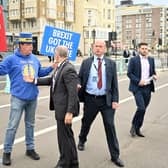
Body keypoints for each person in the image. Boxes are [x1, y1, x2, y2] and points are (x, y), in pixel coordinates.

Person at [0, 32, 54, 166]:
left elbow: (39, 73)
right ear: (21, 45)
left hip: (32, 98)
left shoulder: (35, 59)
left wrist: (51, 68)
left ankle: (30, 149)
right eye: (28, 44)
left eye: (31, 44)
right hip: (18, 98)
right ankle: (7, 152)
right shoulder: (11, 59)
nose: (31, 47)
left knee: (30, 125)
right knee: (12, 126)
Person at [25, 46, 79, 168]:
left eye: (55, 53)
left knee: (64, 138)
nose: (54, 55)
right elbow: (52, 80)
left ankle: (64, 162)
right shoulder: (61, 66)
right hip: (61, 108)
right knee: (67, 136)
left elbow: (72, 92)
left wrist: (69, 112)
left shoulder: (68, 69)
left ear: (58, 55)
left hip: (64, 109)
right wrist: (34, 80)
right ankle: (73, 162)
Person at [77, 40, 124, 167]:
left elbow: (114, 84)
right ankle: (82, 139)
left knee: (110, 126)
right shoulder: (86, 62)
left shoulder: (111, 63)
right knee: (86, 122)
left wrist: (115, 100)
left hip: (106, 100)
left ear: (105, 49)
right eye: (96, 46)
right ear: (93, 48)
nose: (98, 48)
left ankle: (115, 156)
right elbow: (80, 77)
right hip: (90, 99)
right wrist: (78, 83)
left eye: (101, 46)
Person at [127, 42, 157, 138]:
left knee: (143, 109)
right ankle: (133, 126)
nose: (145, 50)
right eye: (143, 48)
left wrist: (155, 75)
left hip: (147, 87)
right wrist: (138, 81)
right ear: (139, 49)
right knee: (141, 108)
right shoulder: (133, 60)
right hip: (137, 88)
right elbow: (129, 73)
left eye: (146, 48)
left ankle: (138, 128)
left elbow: (152, 71)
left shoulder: (151, 60)